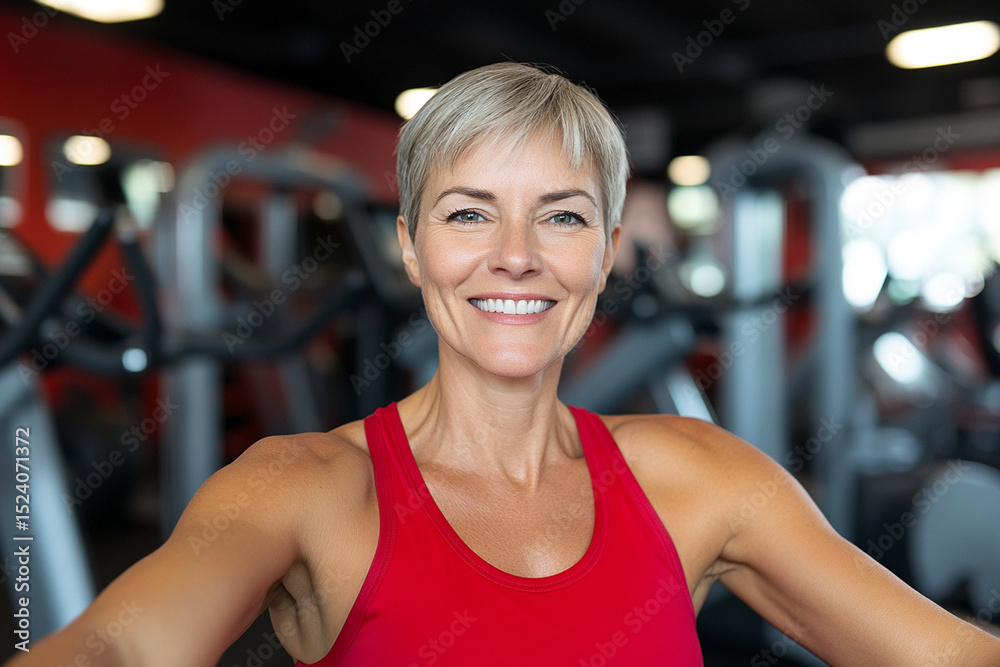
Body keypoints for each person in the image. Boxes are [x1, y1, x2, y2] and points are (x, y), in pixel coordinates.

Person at [9, 62, 1000, 667]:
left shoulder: (704, 479)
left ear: (605, 253)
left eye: (560, 216)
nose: (514, 254)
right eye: (469, 212)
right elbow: (122, 644)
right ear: (410, 245)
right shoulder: (305, 489)